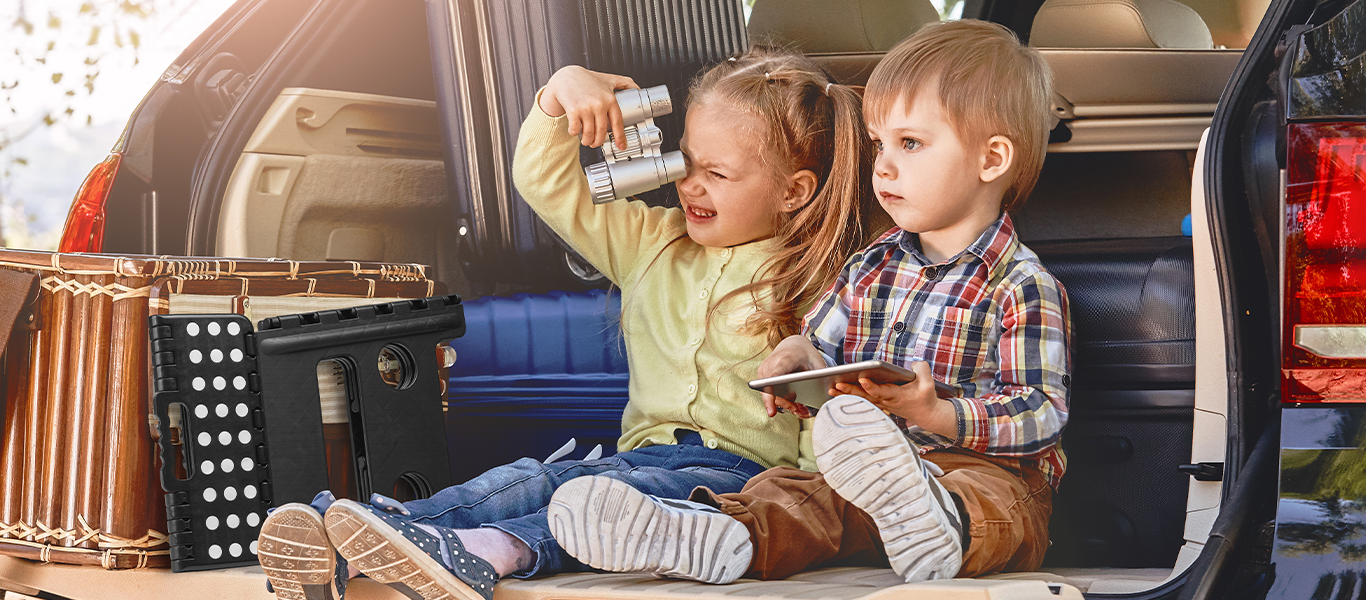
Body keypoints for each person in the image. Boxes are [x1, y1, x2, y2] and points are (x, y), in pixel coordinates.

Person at [256, 46, 889, 600]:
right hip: (635, 458)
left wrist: (808, 508)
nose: (688, 187)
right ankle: (366, 529)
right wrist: (560, 93)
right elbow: (546, 181)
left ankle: (492, 552)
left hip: (736, 483)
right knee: (539, 477)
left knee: (605, 509)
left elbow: (825, 412)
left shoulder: (825, 280)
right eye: (684, 163)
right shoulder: (655, 243)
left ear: (793, 191)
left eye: (716, 175)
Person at [548, 19, 1072, 585]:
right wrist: (798, 361)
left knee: (996, 506)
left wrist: (936, 414)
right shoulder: (870, 266)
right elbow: (816, 341)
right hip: (870, 475)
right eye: (878, 144)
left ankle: (942, 528)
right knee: (789, 496)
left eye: (911, 143)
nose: (884, 166)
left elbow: (1040, 411)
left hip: (981, 468)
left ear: (991, 160)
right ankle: (717, 536)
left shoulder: (1020, 284)